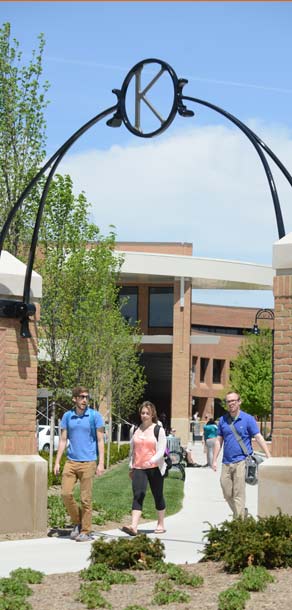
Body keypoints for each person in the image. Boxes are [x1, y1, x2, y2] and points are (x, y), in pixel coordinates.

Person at [54, 386, 104, 542]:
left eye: (86, 397)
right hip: (71, 461)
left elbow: (101, 440)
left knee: (85, 499)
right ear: (74, 399)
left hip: (88, 461)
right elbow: (63, 440)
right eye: (81, 397)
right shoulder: (67, 417)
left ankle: (86, 530)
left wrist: (101, 462)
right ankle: (77, 522)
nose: (84, 400)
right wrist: (57, 462)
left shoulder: (94, 416)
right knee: (65, 494)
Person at [212, 391, 271, 518]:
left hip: (242, 461)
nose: (231, 403)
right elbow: (218, 440)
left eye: (234, 400)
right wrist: (214, 460)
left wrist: (268, 455)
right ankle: (241, 513)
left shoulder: (248, 419)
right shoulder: (223, 420)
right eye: (229, 401)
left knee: (239, 493)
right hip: (226, 462)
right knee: (227, 493)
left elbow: (258, 437)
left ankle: (239, 524)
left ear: (239, 402)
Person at [122, 400, 167, 536]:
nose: (145, 415)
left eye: (147, 413)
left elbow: (161, 450)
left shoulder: (158, 429)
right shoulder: (135, 429)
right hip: (138, 467)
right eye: (142, 413)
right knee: (138, 495)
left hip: (155, 468)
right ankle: (134, 526)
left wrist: (152, 460)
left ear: (152, 414)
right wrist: (131, 466)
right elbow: (132, 450)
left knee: (157, 495)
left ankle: (160, 523)